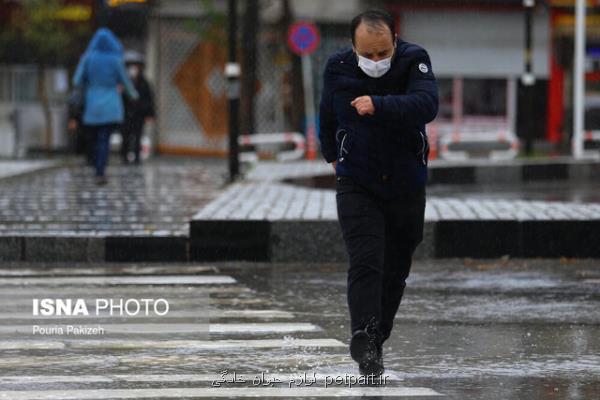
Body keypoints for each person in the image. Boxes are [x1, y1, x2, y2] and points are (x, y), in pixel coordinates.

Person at [318, 9, 438, 377]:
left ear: (394, 42)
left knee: (396, 267)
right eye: (367, 54)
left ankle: (376, 340)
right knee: (366, 260)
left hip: (405, 183)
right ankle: (363, 335)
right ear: (353, 47)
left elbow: (427, 104)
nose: (375, 61)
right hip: (358, 181)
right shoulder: (337, 67)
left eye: (382, 53)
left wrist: (379, 103)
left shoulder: (414, 60)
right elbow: (327, 117)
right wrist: (332, 156)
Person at [72, 28, 139, 185]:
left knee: (94, 139)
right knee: (104, 139)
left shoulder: (88, 58)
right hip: (110, 104)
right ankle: (100, 171)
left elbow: (77, 80)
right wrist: (133, 95)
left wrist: (90, 84)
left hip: (92, 104)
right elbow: (126, 81)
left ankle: (95, 164)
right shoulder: (115, 60)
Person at [121, 50, 155, 165]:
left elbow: (149, 99)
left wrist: (150, 114)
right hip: (125, 113)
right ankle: (125, 156)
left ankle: (136, 157)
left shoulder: (144, 83)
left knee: (138, 135)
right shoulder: (123, 83)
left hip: (139, 114)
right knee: (125, 136)